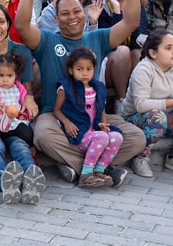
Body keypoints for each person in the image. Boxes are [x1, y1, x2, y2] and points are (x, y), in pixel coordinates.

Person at [14, 0, 147, 184]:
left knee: (137, 138)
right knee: (43, 136)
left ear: (84, 13)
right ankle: (100, 168)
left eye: (77, 11)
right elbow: (22, 26)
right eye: (65, 14)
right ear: (56, 19)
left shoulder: (98, 38)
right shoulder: (47, 40)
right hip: (55, 116)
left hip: (92, 118)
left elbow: (131, 22)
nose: (72, 17)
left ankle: (74, 165)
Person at [121, 30, 173, 177]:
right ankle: (140, 157)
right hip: (136, 120)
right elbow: (141, 104)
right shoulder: (143, 69)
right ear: (153, 53)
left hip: (166, 120)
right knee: (157, 116)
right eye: (168, 48)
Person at [0, 53, 45, 203]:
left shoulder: (20, 88)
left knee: (21, 146)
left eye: (9, 76)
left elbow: (25, 107)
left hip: (14, 125)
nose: (5, 79)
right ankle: (4, 181)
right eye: (1, 75)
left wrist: (23, 116)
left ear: (16, 75)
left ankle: (30, 178)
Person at [53, 46, 126, 188]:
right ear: (71, 70)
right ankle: (85, 174)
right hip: (80, 132)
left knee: (117, 137)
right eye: (79, 69)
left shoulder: (98, 87)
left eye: (89, 69)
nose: (85, 73)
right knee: (102, 137)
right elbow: (56, 110)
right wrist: (67, 123)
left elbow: (101, 110)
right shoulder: (66, 88)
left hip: (95, 130)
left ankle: (99, 171)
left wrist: (104, 124)